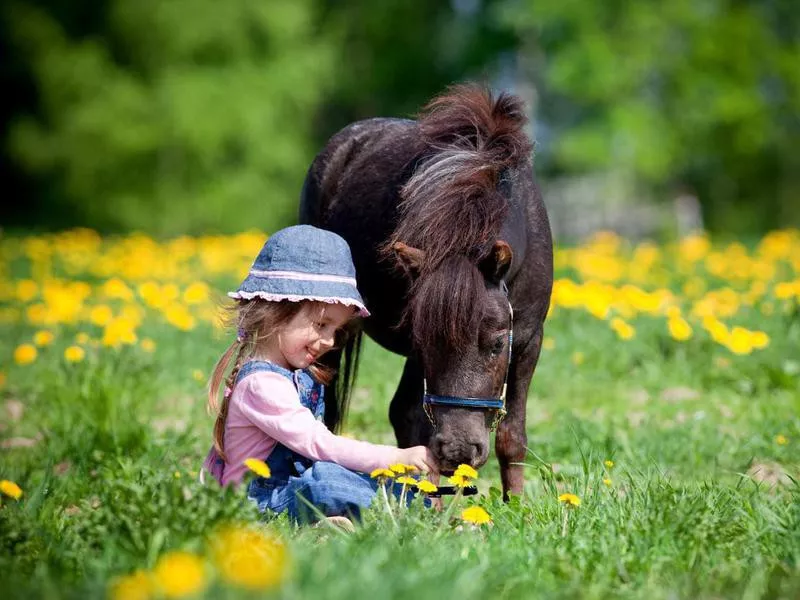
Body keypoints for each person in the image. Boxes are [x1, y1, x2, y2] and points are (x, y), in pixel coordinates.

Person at [202, 225, 436, 524]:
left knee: (336, 476)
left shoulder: (297, 375)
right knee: (326, 482)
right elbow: (319, 444)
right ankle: (411, 512)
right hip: (256, 505)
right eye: (321, 325)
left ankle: (412, 508)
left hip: (289, 488)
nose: (329, 341)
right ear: (277, 311)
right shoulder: (261, 385)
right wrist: (395, 458)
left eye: (335, 331)